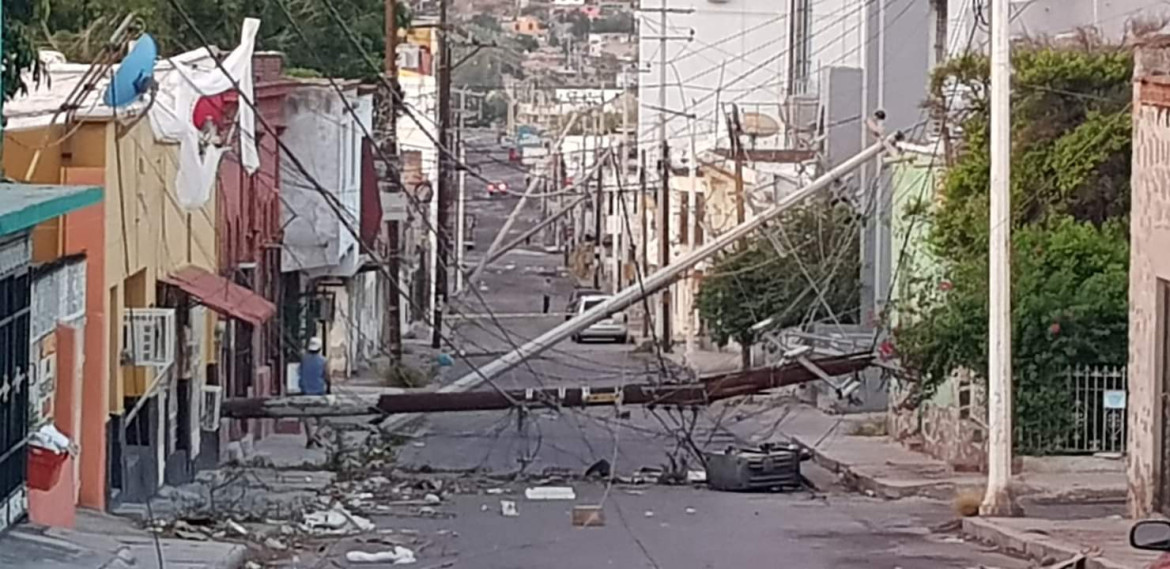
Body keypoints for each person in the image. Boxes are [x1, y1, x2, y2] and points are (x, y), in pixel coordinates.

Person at [299, 337, 329, 448]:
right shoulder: (323, 360)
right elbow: (327, 376)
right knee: (323, 417)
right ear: (320, 348)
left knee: (306, 416)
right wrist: (329, 388)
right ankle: (317, 434)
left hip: (305, 391)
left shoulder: (303, 359)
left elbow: (300, 372)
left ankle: (310, 437)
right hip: (319, 391)